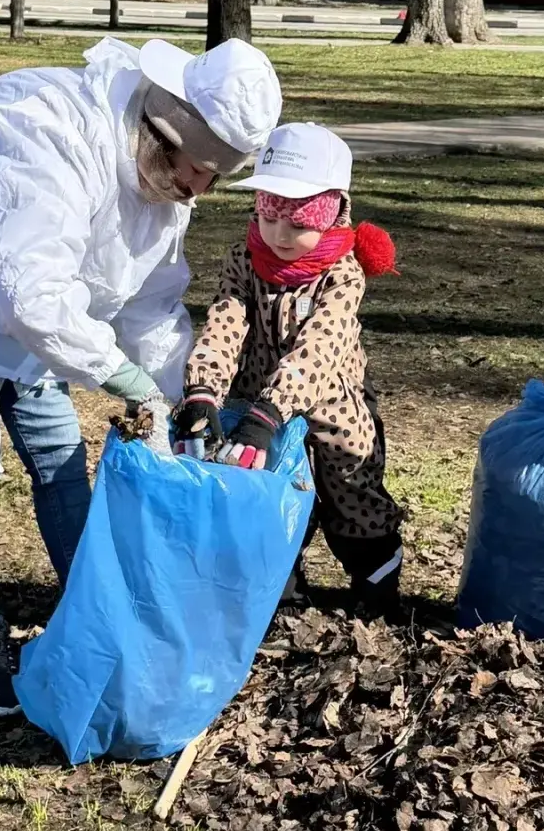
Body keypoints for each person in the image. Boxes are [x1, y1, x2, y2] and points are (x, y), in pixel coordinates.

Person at [0, 35, 282, 716]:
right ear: (163, 134)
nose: (200, 190)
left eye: (213, 178)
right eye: (197, 170)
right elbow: (31, 296)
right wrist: (122, 378)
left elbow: (151, 303)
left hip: (28, 301)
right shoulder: (44, 125)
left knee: (57, 452)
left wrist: (185, 394)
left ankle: (96, 608)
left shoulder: (166, 176)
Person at [172, 121, 404, 612]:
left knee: (352, 491)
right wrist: (202, 390)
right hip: (257, 400)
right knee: (266, 491)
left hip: (334, 406)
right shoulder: (244, 258)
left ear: (333, 213)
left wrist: (271, 411)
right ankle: (281, 589)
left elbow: (319, 348)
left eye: (298, 223)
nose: (279, 235)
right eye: (269, 217)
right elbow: (225, 323)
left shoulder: (343, 273)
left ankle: (376, 581)